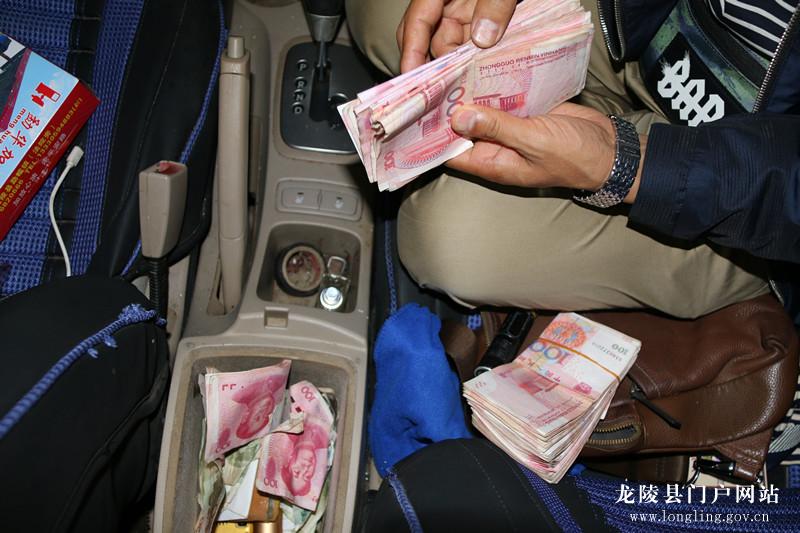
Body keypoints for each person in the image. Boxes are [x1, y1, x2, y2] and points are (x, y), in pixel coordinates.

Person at [345, 0, 799, 325]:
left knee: (447, 238)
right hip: (642, 25)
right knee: (382, 11)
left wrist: (630, 167)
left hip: (754, 197)